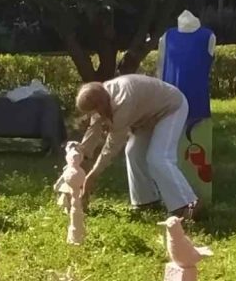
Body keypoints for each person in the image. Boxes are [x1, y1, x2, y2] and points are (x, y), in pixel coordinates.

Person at [76, 74, 197, 217]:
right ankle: (146, 201)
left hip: (171, 108)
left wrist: (92, 176)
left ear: (99, 106)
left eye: (94, 111)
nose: (93, 115)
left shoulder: (122, 103)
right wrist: (81, 157)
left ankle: (188, 204)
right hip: (148, 116)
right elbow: (94, 128)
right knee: (133, 152)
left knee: (158, 158)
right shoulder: (101, 95)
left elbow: (112, 147)